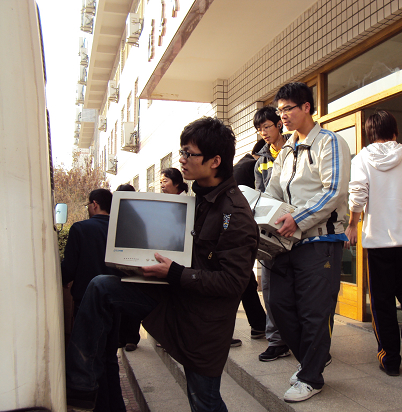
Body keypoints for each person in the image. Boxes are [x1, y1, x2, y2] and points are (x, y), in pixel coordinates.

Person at [65, 117, 260, 412]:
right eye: (182, 152)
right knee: (101, 287)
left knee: (204, 400)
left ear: (215, 161)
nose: (181, 160)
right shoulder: (196, 200)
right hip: (175, 300)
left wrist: (175, 272)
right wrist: (138, 262)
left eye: (188, 154)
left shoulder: (234, 214)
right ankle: (81, 386)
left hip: (203, 324)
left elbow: (233, 282)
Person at [264, 82, 351, 402]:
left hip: (320, 241)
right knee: (278, 304)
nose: (283, 116)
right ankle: (312, 360)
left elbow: (334, 191)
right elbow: (273, 190)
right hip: (285, 243)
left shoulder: (330, 142)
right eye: (280, 111)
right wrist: (264, 216)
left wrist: (298, 219)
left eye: (288, 109)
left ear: (306, 108)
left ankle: (311, 376)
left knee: (315, 311)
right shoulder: (286, 150)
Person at [345, 110, 402, 377]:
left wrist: (353, 224)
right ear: (395, 132)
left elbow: (358, 196)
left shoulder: (362, 159)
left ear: (369, 134)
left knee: (382, 302)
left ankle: (390, 359)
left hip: (378, 244)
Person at [61, 188, 126, 412]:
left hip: (87, 304)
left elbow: (68, 268)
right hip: (117, 301)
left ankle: (101, 407)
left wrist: (63, 280)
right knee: (109, 358)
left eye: (88, 204)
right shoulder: (121, 230)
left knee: (90, 360)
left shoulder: (80, 228)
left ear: (95, 204)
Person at [253, 106, 291, 362]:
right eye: (259, 129)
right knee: (269, 289)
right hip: (272, 231)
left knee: (298, 290)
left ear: (279, 124)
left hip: (298, 226)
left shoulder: (296, 150)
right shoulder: (261, 162)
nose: (264, 132)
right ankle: (276, 341)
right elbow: (259, 196)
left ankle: (303, 340)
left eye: (266, 126)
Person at [230, 139, 267, 347]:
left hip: (233, 229)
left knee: (246, 280)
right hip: (238, 230)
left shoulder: (240, 165)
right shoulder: (252, 166)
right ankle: (222, 331)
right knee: (238, 279)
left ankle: (259, 324)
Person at [114, 183, 142, 353]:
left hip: (123, 265)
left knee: (124, 303)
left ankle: (125, 338)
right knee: (131, 303)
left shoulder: (119, 216)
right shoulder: (138, 217)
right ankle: (130, 338)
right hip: (133, 265)